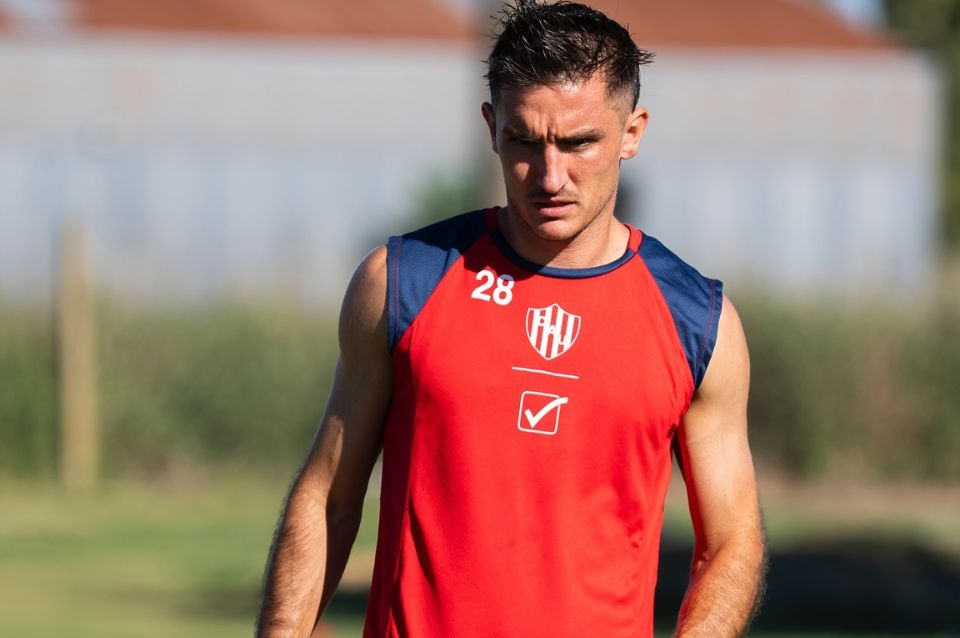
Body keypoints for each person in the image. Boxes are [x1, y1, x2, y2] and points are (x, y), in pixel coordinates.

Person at [256, 1, 767, 636]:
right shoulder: (403, 282)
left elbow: (732, 540)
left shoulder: (698, 323)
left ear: (632, 133)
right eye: (524, 140)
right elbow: (329, 498)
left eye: (579, 142)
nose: (550, 176)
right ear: (491, 127)